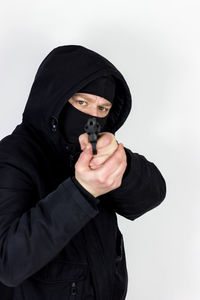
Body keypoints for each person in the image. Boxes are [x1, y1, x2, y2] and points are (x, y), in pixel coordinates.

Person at [0, 45, 166, 300]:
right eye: (82, 102)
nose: (92, 116)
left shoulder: (93, 149)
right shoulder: (13, 157)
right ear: (54, 97)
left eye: (103, 109)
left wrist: (124, 163)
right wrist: (82, 192)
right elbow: (8, 263)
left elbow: (151, 196)